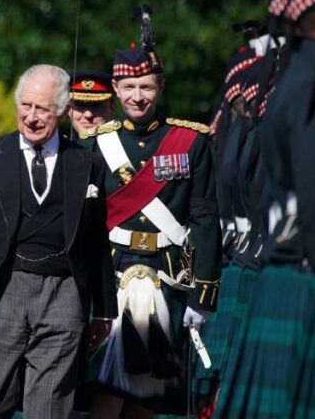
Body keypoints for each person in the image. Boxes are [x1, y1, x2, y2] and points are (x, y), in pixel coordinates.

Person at [0, 64, 116, 418]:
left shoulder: (87, 163)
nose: (32, 117)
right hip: (3, 290)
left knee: (50, 410)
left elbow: (96, 241)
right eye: (26, 106)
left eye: (43, 109)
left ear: (63, 112)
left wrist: (104, 309)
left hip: (64, 294)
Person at [88, 33, 220, 419]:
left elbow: (206, 218)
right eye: (128, 87)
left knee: (149, 399)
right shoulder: (96, 144)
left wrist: (204, 295)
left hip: (170, 278)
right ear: (115, 88)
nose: (137, 96)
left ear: (160, 86)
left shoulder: (190, 141)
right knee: (105, 394)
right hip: (110, 278)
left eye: (146, 86)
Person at [68, 70, 115, 149]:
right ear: (68, 110)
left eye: (96, 106)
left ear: (112, 108)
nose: (88, 114)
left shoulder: (124, 148)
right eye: (80, 105)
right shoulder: (57, 150)